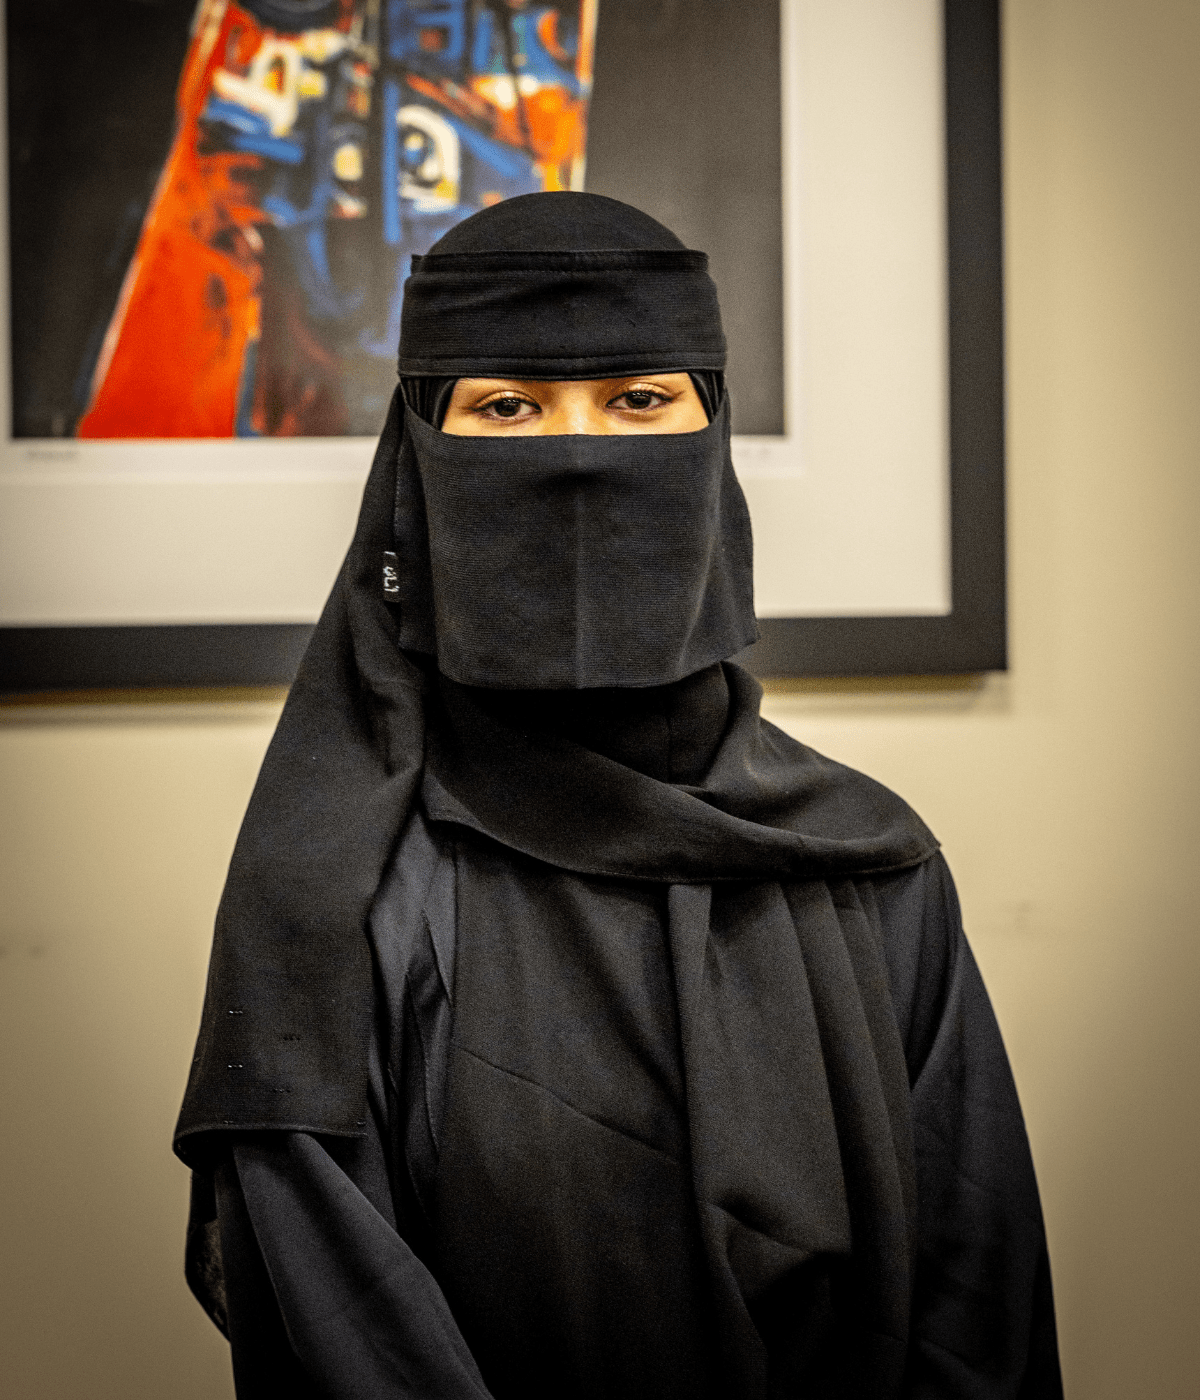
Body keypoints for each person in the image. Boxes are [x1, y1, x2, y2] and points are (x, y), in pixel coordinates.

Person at [175, 192, 1062, 1400]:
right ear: (420, 457)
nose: (579, 451)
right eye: (506, 406)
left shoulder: (876, 869)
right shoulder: (333, 894)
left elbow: (979, 1314)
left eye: (639, 399)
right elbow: (343, 1332)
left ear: (713, 436)